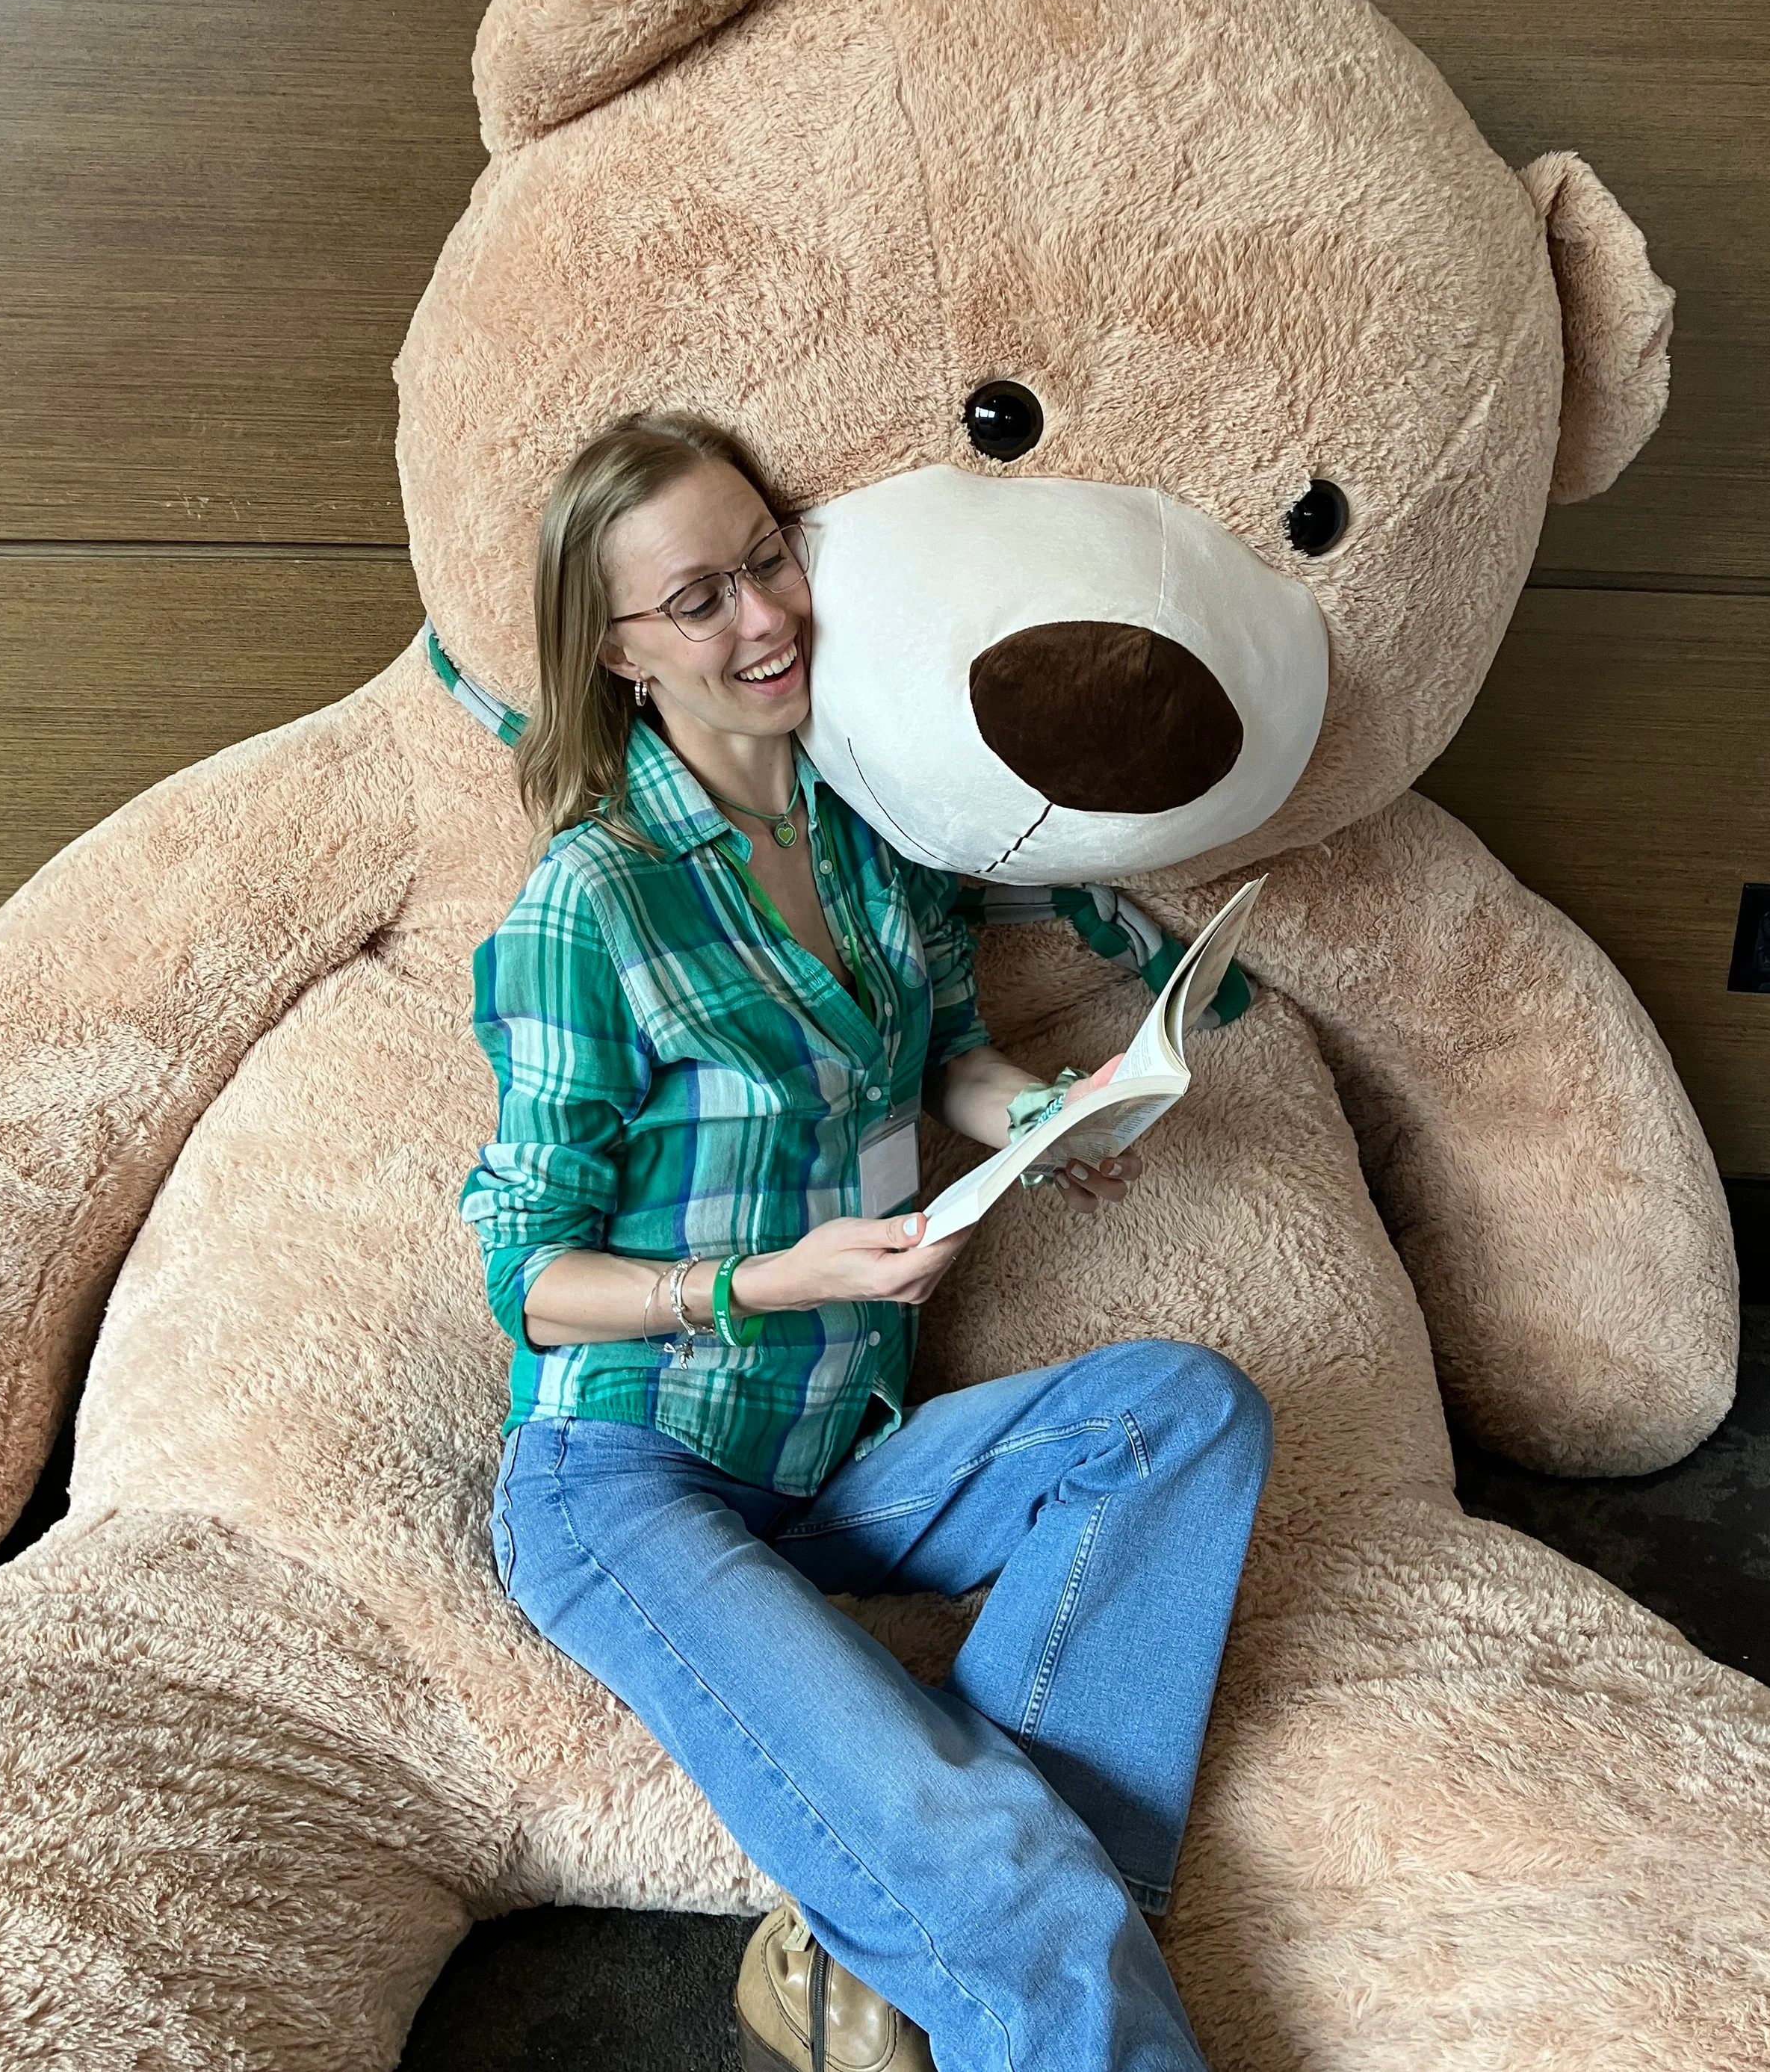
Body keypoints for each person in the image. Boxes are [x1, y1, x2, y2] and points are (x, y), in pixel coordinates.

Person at [459, 410, 1273, 2072]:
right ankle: (1012, 1936)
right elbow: (525, 1273)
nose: (762, 619)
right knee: (1000, 1860)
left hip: (840, 1453)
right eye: (696, 600)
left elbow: (941, 1056)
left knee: (1186, 1410)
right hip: (632, 1473)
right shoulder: (588, 903)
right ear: (617, 653)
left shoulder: (876, 819)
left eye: (765, 562)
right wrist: (755, 1281)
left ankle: (894, 1955)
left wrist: (1034, 1116)